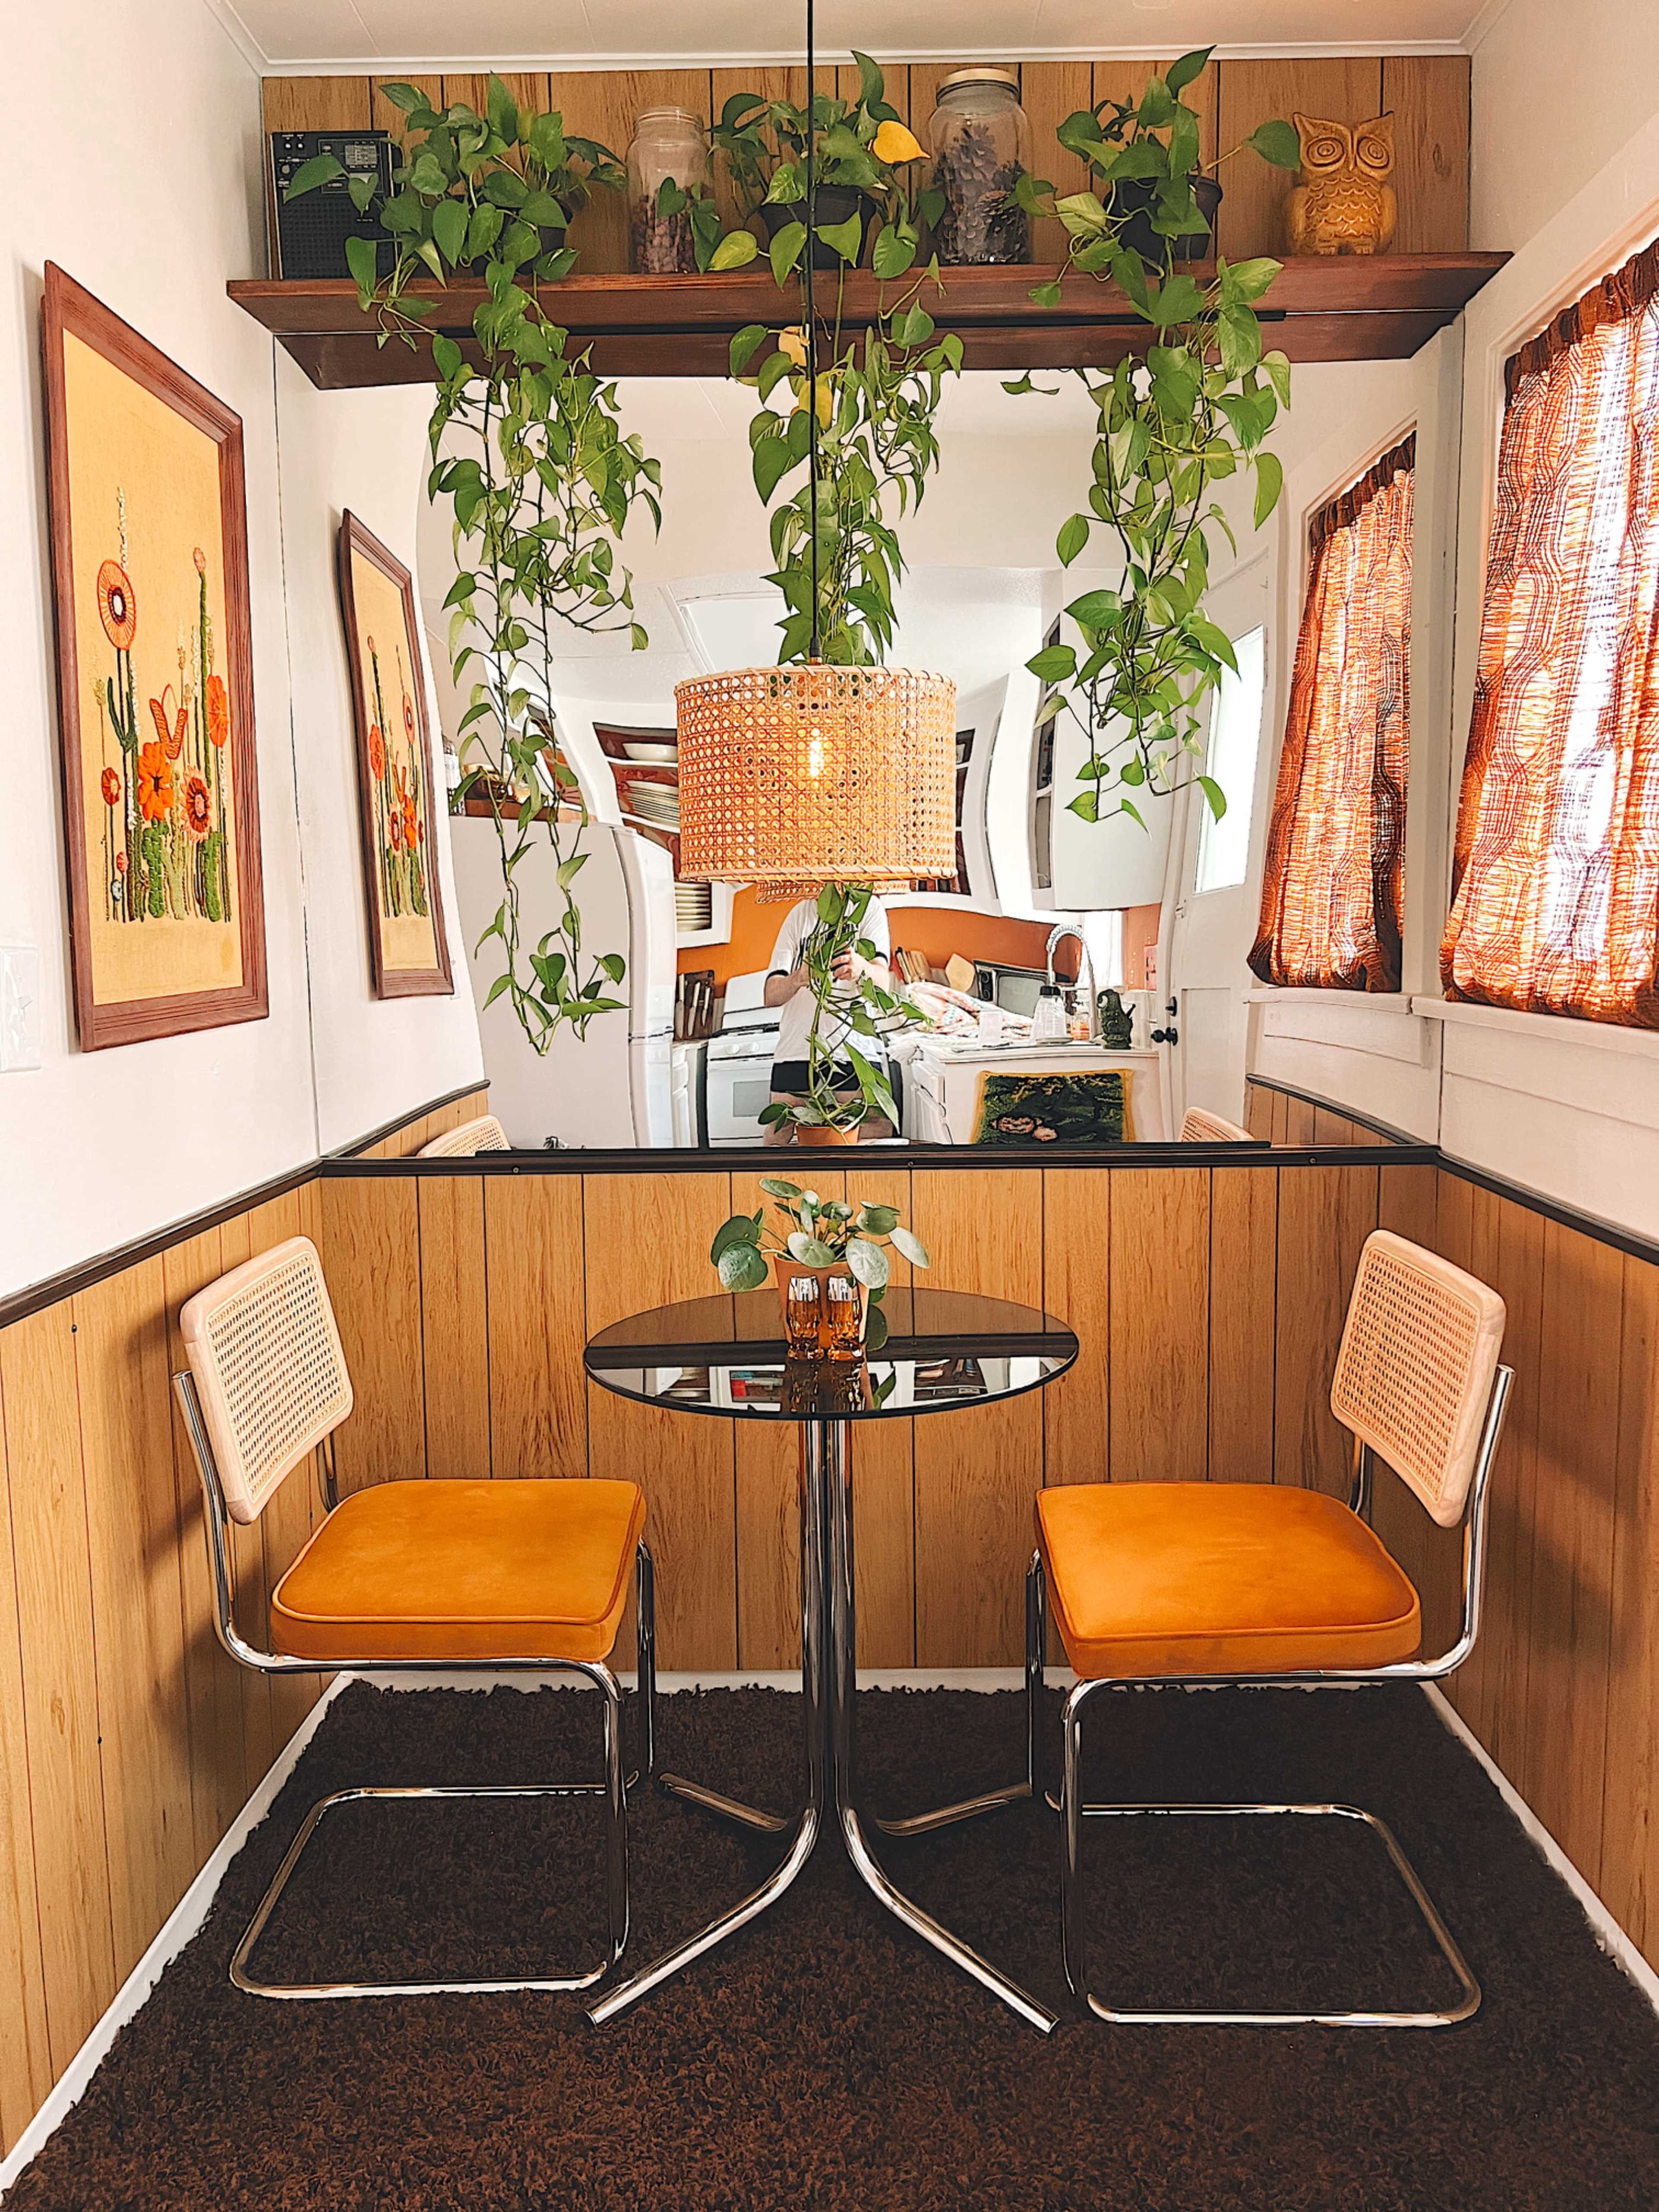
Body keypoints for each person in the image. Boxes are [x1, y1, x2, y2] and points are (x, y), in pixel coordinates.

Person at [763, 893, 895, 1142]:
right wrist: (800, 977)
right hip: (797, 1052)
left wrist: (861, 967)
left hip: (852, 1051)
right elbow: (771, 994)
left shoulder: (869, 909)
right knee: (777, 1140)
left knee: (874, 1131)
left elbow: (883, 983)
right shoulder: (799, 914)